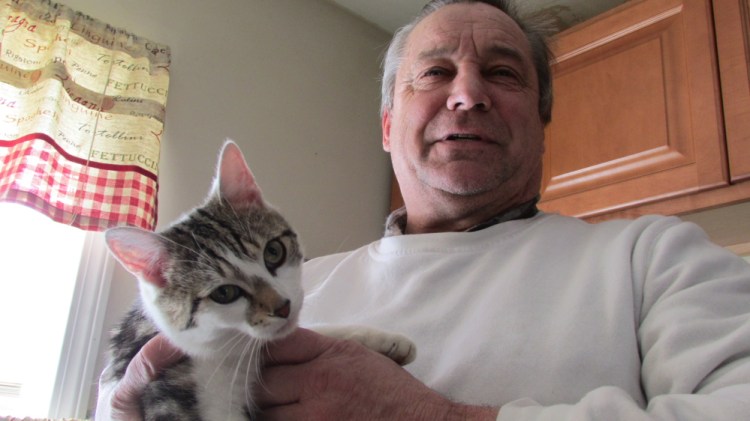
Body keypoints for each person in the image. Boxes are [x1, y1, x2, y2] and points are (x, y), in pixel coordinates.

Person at [98, 0, 750, 419]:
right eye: (435, 74)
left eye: (503, 73)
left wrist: (435, 417)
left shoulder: (655, 258)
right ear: (386, 126)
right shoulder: (298, 284)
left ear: (543, 120)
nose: (467, 94)